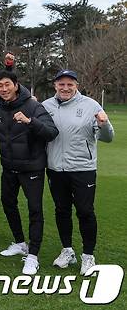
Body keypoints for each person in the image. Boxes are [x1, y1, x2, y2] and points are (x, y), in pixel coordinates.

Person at [42, 70, 114, 275]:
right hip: (56, 169)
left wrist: (104, 123)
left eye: (69, 84)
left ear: (76, 85)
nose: (65, 88)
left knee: (85, 211)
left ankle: (88, 256)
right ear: (55, 85)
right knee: (61, 210)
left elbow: (108, 138)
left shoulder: (91, 105)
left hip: (83, 169)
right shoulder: (46, 106)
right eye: (61, 84)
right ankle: (67, 251)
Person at [0, 71, 59, 275]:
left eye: (7, 85)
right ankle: (20, 243)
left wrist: (31, 122)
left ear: (16, 85)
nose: (4, 89)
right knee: (8, 203)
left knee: (35, 209)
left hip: (32, 168)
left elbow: (52, 132)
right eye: (0, 86)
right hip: (9, 167)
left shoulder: (33, 106)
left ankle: (33, 256)